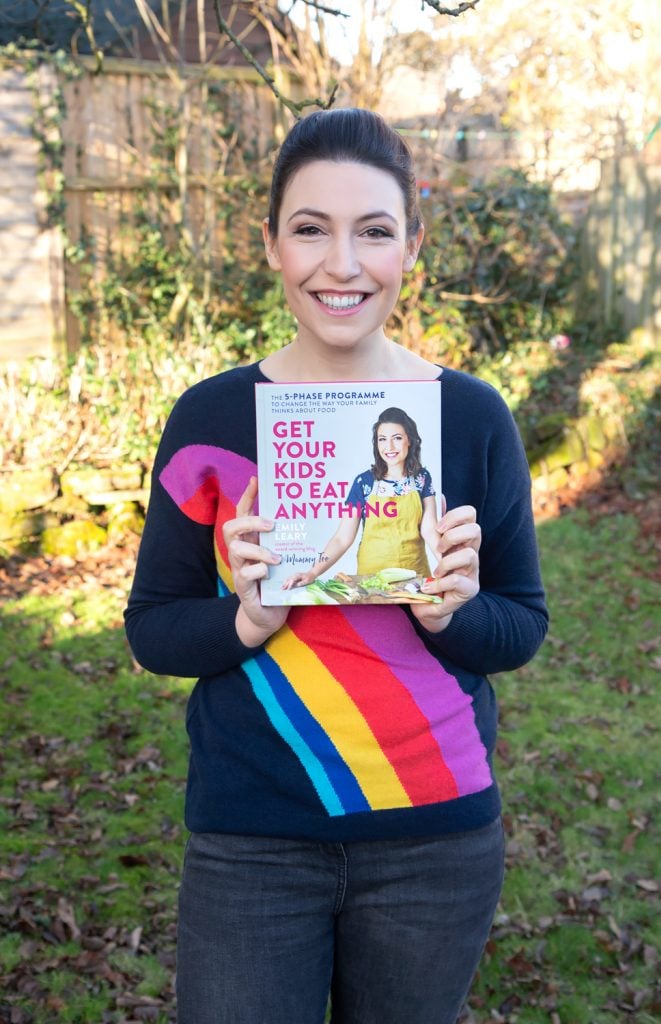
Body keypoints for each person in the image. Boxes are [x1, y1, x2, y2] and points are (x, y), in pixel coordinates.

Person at [124, 107, 548, 1024]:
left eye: (374, 231)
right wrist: (242, 619)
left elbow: (521, 626)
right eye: (311, 228)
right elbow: (153, 628)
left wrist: (454, 611)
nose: (342, 264)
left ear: (411, 246)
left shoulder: (471, 418)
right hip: (251, 842)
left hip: (434, 841)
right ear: (271, 242)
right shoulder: (211, 416)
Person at [283, 405, 439, 590]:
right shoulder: (363, 482)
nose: (389, 447)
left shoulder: (422, 479)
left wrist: (448, 564)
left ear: (410, 441)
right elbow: (342, 538)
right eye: (382, 439)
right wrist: (313, 572)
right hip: (371, 580)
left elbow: (429, 530)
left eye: (397, 438)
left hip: (415, 576)